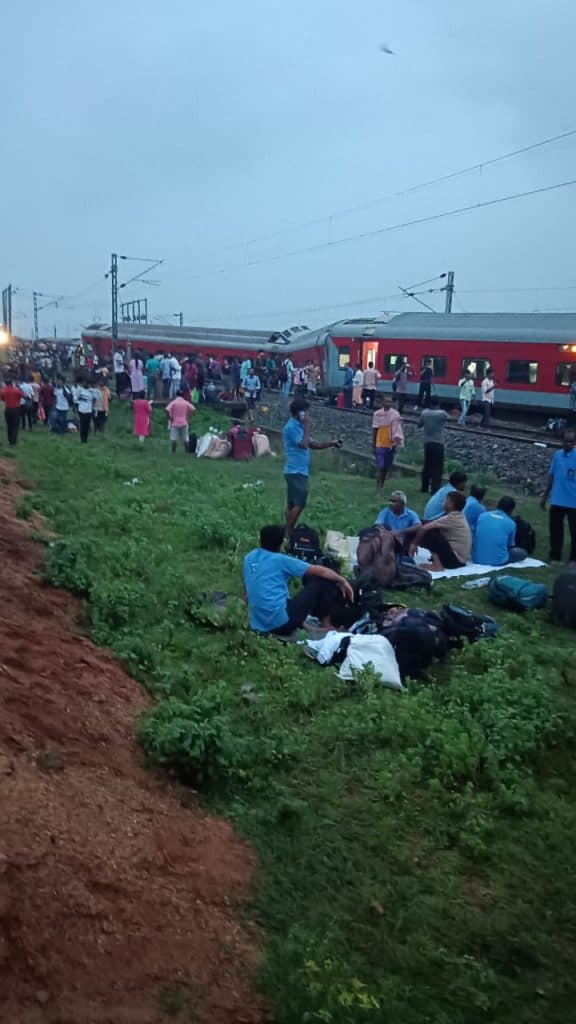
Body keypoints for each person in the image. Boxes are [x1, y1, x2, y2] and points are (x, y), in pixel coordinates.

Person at [243, 524, 354, 636]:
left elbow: (248, 591)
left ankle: (309, 628)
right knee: (321, 581)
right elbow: (321, 571)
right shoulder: (280, 560)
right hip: (281, 624)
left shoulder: (249, 557)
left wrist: (244, 615)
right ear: (280, 544)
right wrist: (342, 580)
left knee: (280, 599)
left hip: (258, 623)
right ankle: (326, 624)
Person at [283, 399, 341, 534]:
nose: (309, 415)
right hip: (295, 470)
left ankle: (288, 531)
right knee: (300, 503)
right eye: (307, 412)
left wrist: (332, 443)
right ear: (300, 413)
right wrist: (307, 426)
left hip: (299, 470)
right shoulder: (291, 427)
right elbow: (304, 444)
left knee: (292, 503)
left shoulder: (298, 427)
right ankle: (287, 531)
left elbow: (313, 445)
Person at [406, 490, 471, 571]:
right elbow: (429, 523)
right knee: (423, 526)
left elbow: (424, 528)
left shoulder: (452, 518)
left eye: (445, 500)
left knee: (430, 534)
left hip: (455, 560)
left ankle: (437, 566)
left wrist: (414, 543)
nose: (443, 503)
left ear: (450, 504)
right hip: (458, 559)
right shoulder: (458, 515)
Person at [541, 428, 576, 562]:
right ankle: (555, 555)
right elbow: (551, 477)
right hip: (557, 500)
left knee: (574, 532)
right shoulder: (557, 455)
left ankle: (573, 559)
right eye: (566, 441)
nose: (568, 444)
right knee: (555, 530)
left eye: (571, 442)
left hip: (573, 502)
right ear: (562, 441)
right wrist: (545, 496)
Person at [473, 497, 527, 566]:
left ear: (497, 505)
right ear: (511, 511)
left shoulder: (482, 516)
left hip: (477, 558)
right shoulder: (511, 523)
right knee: (522, 553)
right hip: (498, 561)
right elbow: (510, 545)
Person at [419, 395, 450, 495]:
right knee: (437, 468)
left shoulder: (424, 412)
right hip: (438, 443)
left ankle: (424, 487)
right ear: (439, 403)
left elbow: (420, 424)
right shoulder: (442, 414)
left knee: (427, 465)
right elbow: (449, 418)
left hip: (427, 442)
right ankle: (434, 489)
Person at [372, 394, 404, 489]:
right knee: (380, 466)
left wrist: (397, 443)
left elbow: (398, 429)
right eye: (386, 401)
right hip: (380, 443)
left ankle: (381, 485)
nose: (388, 403)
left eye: (390, 401)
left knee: (386, 467)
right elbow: (375, 429)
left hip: (390, 444)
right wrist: (373, 444)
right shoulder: (377, 414)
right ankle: (378, 487)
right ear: (382, 402)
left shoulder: (395, 414)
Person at [0, 376, 23, 446]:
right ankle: (13, 441)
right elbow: (21, 396)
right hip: (16, 409)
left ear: (6, 383)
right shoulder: (16, 390)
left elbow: (2, 398)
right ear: (12, 383)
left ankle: (9, 440)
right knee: (15, 426)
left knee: (9, 425)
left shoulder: (3, 390)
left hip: (7, 409)